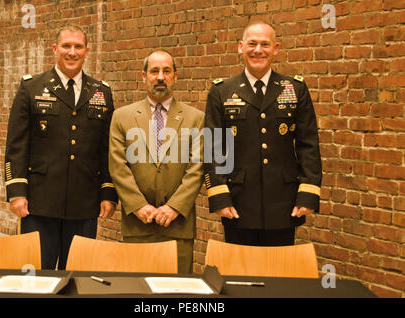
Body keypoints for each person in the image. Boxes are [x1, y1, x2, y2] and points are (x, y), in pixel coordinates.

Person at [4, 25, 117, 270]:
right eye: (66, 46)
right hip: (39, 201)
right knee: (37, 274)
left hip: (84, 203)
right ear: (55, 49)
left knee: (77, 275)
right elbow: (16, 145)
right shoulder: (31, 88)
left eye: (78, 46)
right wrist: (16, 192)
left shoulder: (101, 92)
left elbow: (106, 149)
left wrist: (108, 192)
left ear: (87, 51)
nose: (72, 52)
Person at [204, 21, 322, 246]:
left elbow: (309, 144)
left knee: (280, 273)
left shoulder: (294, 88)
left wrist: (308, 193)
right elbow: (214, 148)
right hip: (237, 203)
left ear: (276, 48)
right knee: (238, 274)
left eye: (265, 44)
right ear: (240, 47)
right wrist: (219, 196)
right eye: (252, 44)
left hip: (284, 203)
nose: (258, 50)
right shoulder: (222, 91)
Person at [109, 50, 204, 273]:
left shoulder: (195, 118)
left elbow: (197, 167)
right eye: (154, 71)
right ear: (144, 77)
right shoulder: (122, 117)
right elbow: (117, 166)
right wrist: (138, 206)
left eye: (166, 71)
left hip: (178, 225)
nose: (160, 77)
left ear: (175, 77)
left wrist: (174, 207)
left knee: (178, 290)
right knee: (137, 288)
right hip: (137, 224)